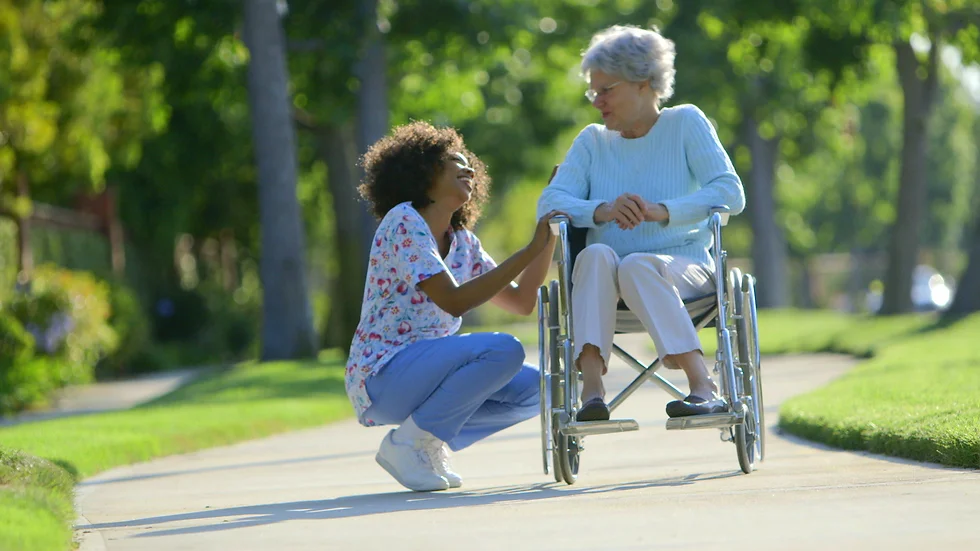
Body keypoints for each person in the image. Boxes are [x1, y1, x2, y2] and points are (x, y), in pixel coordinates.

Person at [536, 25, 746, 422]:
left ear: (644, 83)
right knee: (597, 253)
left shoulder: (685, 123)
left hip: (683, 268)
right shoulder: (592, 141)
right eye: (593, 92)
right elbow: (550, 201)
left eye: (606, 90)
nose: (597, 102)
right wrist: (603, 210)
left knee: (637, 264)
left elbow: (730, 192)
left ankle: (704, 387)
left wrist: (661, 210)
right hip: (605, 283)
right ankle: (592, 391)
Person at [346, 121, 561, 492]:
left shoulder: (463, 241)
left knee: (539, 388)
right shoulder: (404, 221)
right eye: (455, 163)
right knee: (503, 349)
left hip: (426, 377)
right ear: (424, 171)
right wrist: (528, 249)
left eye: (471, 166)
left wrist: (549, 230)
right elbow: (454, 299)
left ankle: (426, 440)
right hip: (383, 375)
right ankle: (407, 444)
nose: (470, 170)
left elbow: (522, 301)